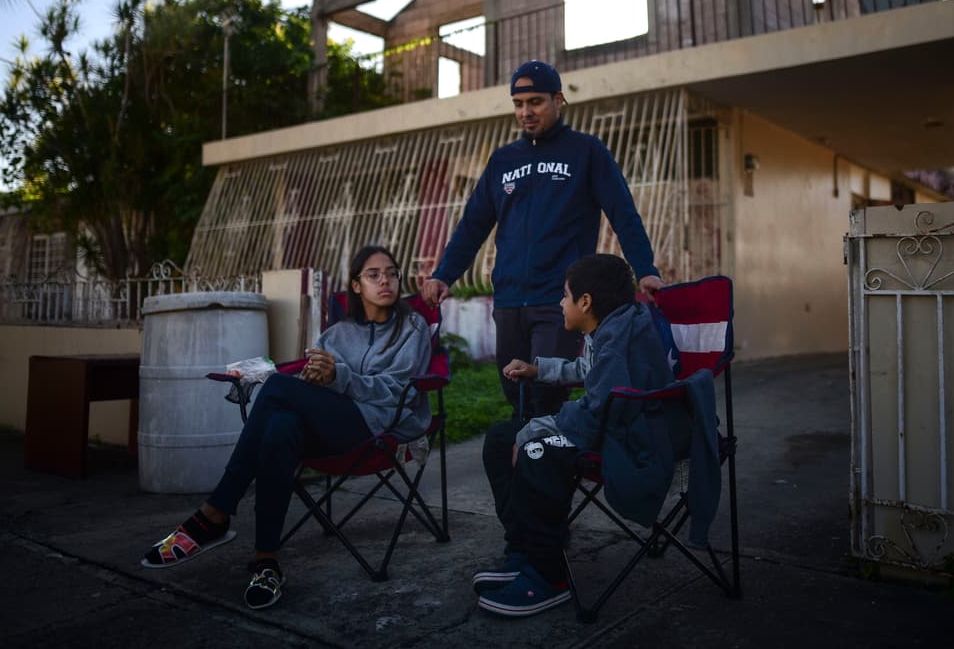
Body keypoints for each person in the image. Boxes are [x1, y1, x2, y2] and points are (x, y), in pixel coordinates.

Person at [139, 245, 431, 610]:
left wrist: (338, 376)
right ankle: (266, 562)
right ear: (356, 285)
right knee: (280, 428)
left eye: (391, 272)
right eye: (373, 274)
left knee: (278, 389)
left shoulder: (412, 327)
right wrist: (315, 376)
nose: (385, 280)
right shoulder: (337, 334)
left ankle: (216, 511)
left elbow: (396, 390)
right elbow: (315, 379)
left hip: (378, 428)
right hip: (332, 425)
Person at [420, 59, 661, 420]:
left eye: (535, 102)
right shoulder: (503, 160)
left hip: (560, 300)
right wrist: (444, 273)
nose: (525, 112)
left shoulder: (587, 151)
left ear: (558, 100)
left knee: (546, 394)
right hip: (510, 298)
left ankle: (548, 464)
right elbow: (473, 224)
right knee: (514, 391)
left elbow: (623, 214)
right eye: (518, 104)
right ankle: (530, 464)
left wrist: (645, 269)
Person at [473, 254, 679, 617]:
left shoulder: (618, 336)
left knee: (536, 451)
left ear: (585, 301)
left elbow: (598, 408)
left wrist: (535, 429)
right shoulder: (612, 326)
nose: (560, 303)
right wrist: (538, 370)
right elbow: (588, 371)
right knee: (500, 440)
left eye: (565, 296)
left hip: (629, 436)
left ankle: (548, 576)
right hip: (613, 423)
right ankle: (523, 550)